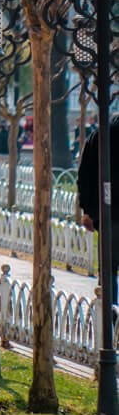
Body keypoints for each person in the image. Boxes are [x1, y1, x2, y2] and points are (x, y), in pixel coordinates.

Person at [77, 114, 119, 315]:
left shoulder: (100, 135)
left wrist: (88, 211)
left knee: (109, 269)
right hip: (109, 213)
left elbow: (85, 175)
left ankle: (111, 319)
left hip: (109, 214)